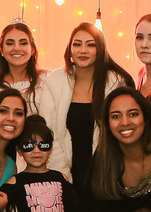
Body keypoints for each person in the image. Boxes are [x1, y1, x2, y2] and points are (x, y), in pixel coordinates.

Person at [35, 24, 133, 188]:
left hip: (106, 173)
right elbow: (48, 130)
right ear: (70, 49)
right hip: (64, 173)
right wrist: (61, 174)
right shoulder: (55, 81)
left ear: (100, 49)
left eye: (90, 45)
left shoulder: (115, 82)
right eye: (77, 44)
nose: (83, 50)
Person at [0, 21, 46, 109]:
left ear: (32, 50)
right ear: (1, 50)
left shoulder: (46, 80)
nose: (17, 48)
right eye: (10, 43)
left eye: (23, 43)